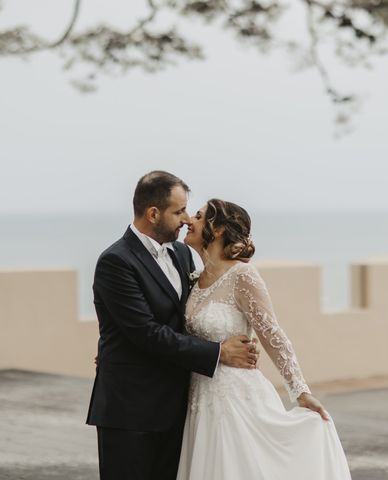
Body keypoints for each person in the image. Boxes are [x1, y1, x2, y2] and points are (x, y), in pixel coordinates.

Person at [86, 171, 259, 480]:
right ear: (153, 213)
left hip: (178, 409)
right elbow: (146, 332)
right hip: (131, 411)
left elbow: (191, 316)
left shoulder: (182, 254)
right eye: (178, 211)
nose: (186, 219)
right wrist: (219, 352)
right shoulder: (116, 261)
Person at [177, 198, 352, 480]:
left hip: (235, 398)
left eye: (198, 216)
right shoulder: (194, 281)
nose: (189, 221)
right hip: (198, 399)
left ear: (218, 229)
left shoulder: (242, 275)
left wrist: (300, 390)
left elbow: (271, 333)